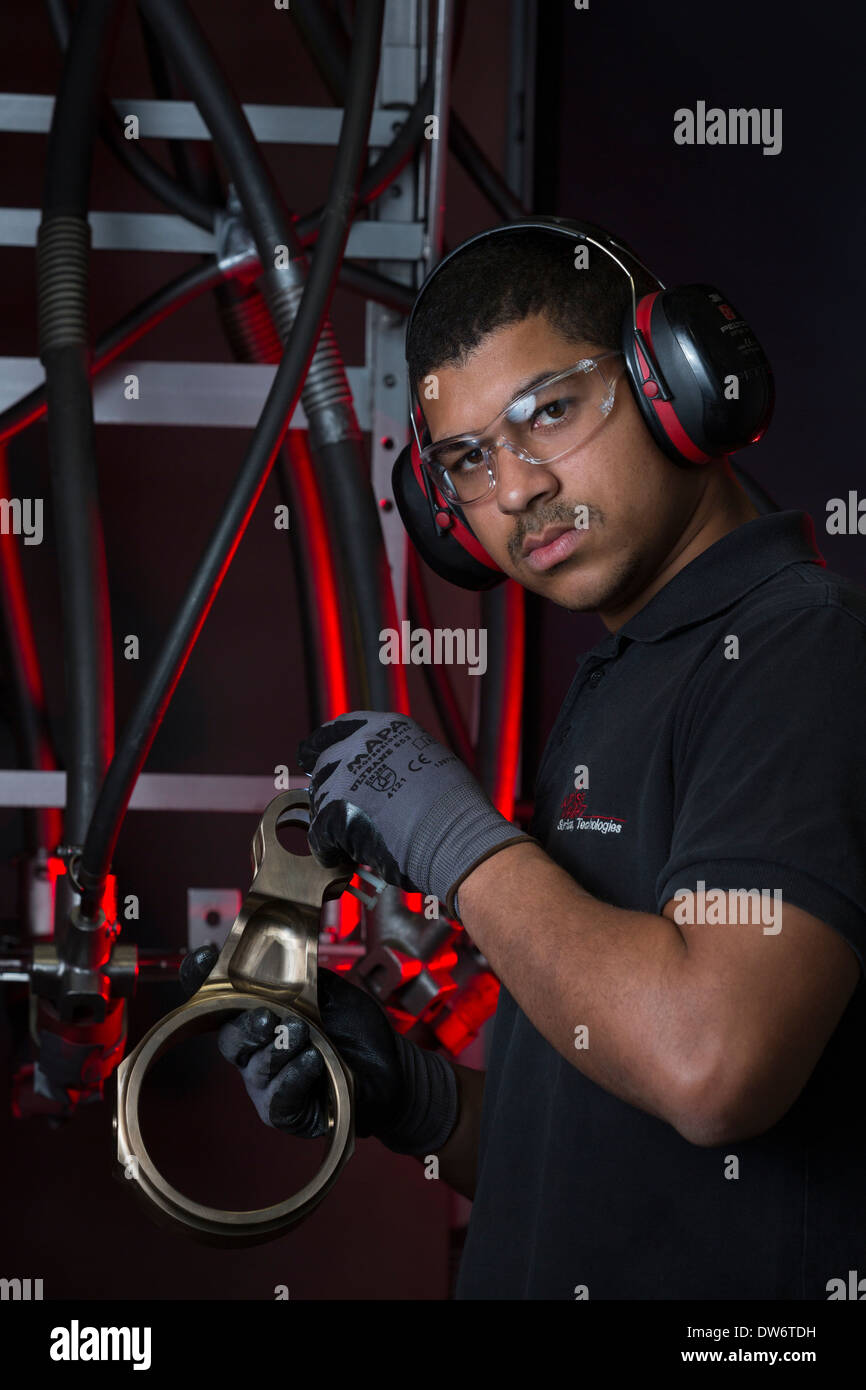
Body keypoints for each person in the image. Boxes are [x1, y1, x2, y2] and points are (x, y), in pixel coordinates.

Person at [183, 222, 866, 1300]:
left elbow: (709, 1066)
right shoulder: (625, 674)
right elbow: (603, 1159)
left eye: (547, 411)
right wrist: (415, 1099)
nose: (512, 491)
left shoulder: (801, 647)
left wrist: (455, 840)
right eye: (464, 460)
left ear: (676, 380)